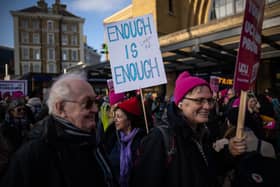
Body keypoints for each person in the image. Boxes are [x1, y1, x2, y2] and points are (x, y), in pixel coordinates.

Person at [0, 72, 118, 187]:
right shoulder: (34, 153)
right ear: (61, 107)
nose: (95, 109)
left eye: (96, 102)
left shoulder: (92, 140)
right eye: (87, 103)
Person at [130, 71, 246, 187]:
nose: (207, 106)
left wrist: (229, 152)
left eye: (209, 100)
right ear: (180, 103)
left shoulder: (202, 133)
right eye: (199, 100)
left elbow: (208, 167)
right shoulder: (159, 138)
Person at [104, 96, 146, 187]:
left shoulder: (142, 140)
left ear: (129, 120)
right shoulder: (113, 137)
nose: (115, 119)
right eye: (115, 116)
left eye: (119, 117)